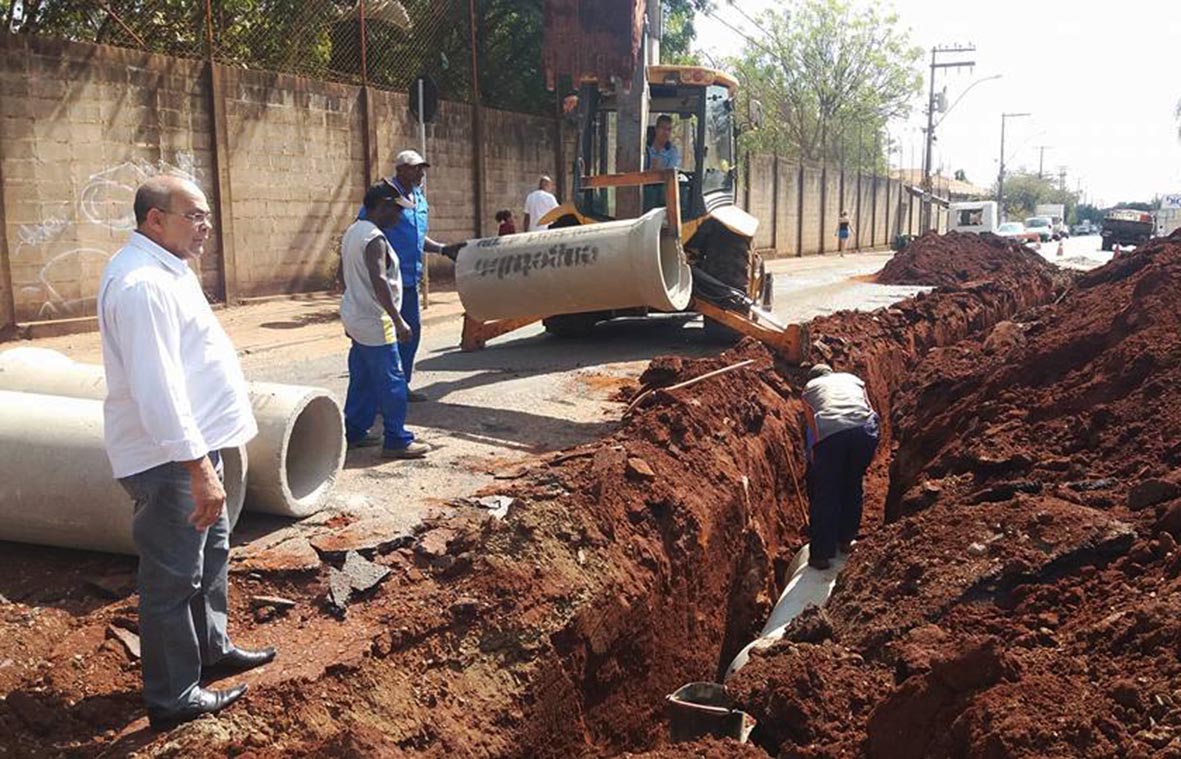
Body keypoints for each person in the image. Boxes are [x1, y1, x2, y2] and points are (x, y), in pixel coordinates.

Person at [98, 176, 275, 730]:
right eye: (194, 216)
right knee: (173, 577)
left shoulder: (168, 269)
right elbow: (159, 388)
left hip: (195, 447)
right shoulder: (142, 285)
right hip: (171, 459)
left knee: (212, 554)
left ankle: (210, 650)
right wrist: (197, 467)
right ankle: (174, 696)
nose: (206, 227)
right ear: (154, 219)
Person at [340, 183, 431, 459]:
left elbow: (340, 275)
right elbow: (379, 279)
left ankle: (353, 432)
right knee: (392, 381)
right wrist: (399, 320)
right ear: (382, 207)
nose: (400, 217)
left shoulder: (353, 232)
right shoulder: (375, 238)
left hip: (357, 317)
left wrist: (353, 304)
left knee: (362, 377)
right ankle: (396, 439)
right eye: (396, 210)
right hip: (376, 322)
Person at [360, 150, 459, 402]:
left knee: (410, 331)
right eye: (416, 168)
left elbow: (416, 237)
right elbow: (365, 229)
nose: (421, 172)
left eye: (422, 168)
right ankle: (383, 392)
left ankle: (401, 386)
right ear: (401, 169)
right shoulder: (385, 196)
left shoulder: (419, 199)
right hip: (386, 281)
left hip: (410, 280)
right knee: (386, 336)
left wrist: (441, 249)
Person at [801, 363, 880, 570]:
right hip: (865, 431)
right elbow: (869, 409)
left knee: (827, 492)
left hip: (832, 431)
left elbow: (813, 428)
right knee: (852, 483)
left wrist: (814, 459)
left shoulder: (809, 388)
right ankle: (846, 540)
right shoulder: (853, 380)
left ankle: (821, 554)